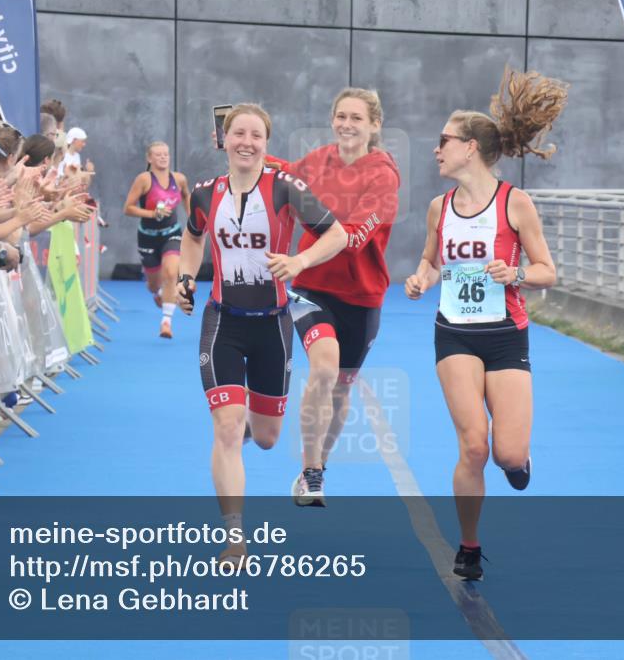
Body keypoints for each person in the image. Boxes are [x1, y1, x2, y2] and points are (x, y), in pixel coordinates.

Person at [404, 68, 566, 580]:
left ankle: (519, 462)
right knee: (473, 444)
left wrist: (514, 272)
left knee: (505, 454)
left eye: (444, 141)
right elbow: (430, 262)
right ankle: (469, 546)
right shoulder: (438, 208)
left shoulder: (514, 203)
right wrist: (420, 279)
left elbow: (547, 272)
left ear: (470, 148)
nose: (437, 149)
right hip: (453, 332)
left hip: (505, 334)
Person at [176, 103, 347, 562]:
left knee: (268, 438)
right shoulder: (204, 193)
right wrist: (185, 278)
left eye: (256, 135)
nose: (246, 142)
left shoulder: (285, 189)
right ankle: (235, 538)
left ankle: (255, 420)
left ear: (266, 144)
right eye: (238, 134)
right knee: (227, 429)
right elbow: (192, 237)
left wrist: (299, 261)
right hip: (223, 322)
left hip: (273, 324)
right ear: (224, 139)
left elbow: (338, 235)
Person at [264, 88, 400, 507]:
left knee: (340, 389)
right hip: (311, 287)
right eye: (341, 116)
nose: (346, 124)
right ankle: (311, 472)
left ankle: (319, 462)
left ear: (374, 125)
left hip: (361, 295)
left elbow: (355, 235)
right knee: (323, 368)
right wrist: (247, 153)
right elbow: (284, 174)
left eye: (357, 118)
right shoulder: (318, 159)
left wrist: (310, 248)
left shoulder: (384, 175)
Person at [123, 141, 191, 338]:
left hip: (172, 233)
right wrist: (153, 214)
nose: (163, 157)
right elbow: (128, 208)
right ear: (149, 158)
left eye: (166, 154)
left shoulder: (179, 179)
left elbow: (187, 196)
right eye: (158, 154)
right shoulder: (144, 179)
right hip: (148, 237)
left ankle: (166, 322)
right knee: (154, 284)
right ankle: (159, 294)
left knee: (171, 273)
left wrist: (192, 219)